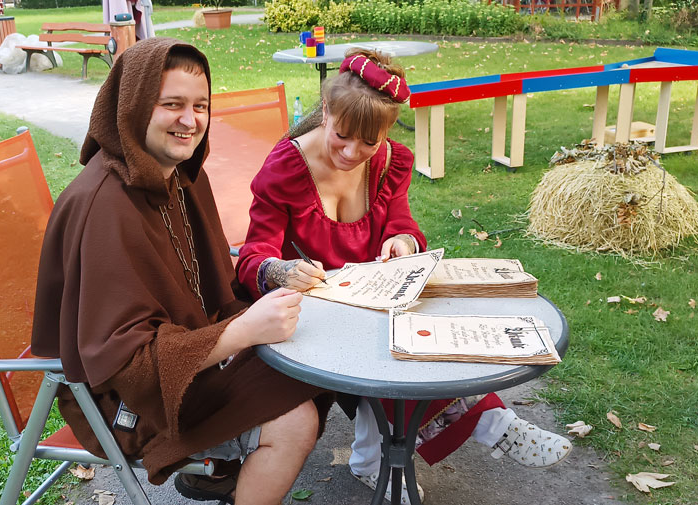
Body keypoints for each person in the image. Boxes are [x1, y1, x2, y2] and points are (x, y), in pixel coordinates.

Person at [236, 49, 572, 504]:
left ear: (387, 132)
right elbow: (253, 256)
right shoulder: (286, 168)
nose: (353, 153)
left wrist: (404, 243)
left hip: (376, 299)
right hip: (313, 317)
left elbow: (402, 224)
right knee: (390, 342)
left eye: (369, 142)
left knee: (410, 332)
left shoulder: (390, 161)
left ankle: (376, 457)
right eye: (343, 136)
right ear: (327, 112)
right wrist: (280, 269)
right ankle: (490, 426)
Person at [30, 38, 333, 505]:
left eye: (200, 106)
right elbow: (125, 364)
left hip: (194, 357)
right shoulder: (105, 206)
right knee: (296, 421)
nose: (190, 121)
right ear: (132, 107)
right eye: (171, 104)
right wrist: (242, 332)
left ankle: (219, 475)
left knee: (321, 358)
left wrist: (270, 276)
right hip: (126, 405)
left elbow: (208, 279)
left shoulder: (181, 176)